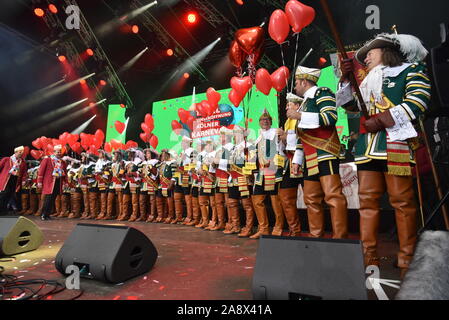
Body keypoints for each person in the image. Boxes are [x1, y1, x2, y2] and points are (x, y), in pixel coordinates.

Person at [338, 33, 430, 275]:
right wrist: (346, 79)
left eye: (371, 52)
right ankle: (370, 257)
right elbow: (349, 107)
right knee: (367, 203)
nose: (365, 57)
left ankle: (407, 256)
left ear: (386, 51)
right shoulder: (366, 81)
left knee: (402, 202)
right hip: (367, 148)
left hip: (395, 144)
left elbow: (419, 101)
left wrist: (381, 120)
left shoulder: (410, 71)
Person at [286, 66, 348, 239]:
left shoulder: (322, 92)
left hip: (325, 151)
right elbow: (302, 136)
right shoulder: (305, 102)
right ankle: (315, 238)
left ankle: (340, 239)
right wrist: (297, 160)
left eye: (297, 83)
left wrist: (298, 117)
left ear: (305, 82)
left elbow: (330, 118)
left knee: (333, 196)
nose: (295, 87)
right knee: (311, 199)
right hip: (309, 156)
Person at [250, 110, 286, 239]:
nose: (265, 121)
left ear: (271, 122)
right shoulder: (258, 137)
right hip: (261, 172)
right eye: (262, 120)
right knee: (257, 199)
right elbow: (254, 156)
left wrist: (283, 136)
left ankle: (278, 227)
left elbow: (284, 148)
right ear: (259, 123)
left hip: (273, 170)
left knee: (275, 200)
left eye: (267, 120)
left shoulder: (276, 133)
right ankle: (263, 228)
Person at [228, 126, 256, 237]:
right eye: (234, 133)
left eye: (238, 132)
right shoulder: (233, 148)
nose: (236, 135)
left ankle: (249, 228)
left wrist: (249, 171)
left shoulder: (249, 146)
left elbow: (253, 161)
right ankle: (236, 226)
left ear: (244, 134)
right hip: (233, 178)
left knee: (246, 204)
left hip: (244, 178)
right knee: (232, 202)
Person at [37, 145, 67, 220]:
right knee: (48, 198)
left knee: (53, 198)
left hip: (58, 182)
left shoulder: (62, 162)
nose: (59, 153)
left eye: (60, 152)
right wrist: (39, 181)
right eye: (58, 152)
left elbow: (65, 173)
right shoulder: (47, 160)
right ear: (54, 152)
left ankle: (47, 214)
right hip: (49, 182)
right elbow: (41, 171)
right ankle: (43, 214)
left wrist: (65, 182)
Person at [0, 146, 27, 215]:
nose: (21, 153)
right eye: (20, 152)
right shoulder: (6, 159)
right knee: (4, 194)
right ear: (15, 152)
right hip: (6, 179)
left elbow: (24, 172)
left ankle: (4, 210)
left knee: (10, 195)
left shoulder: (23, 162)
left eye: (22, 152)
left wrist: (24, 180)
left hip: (15, 179)